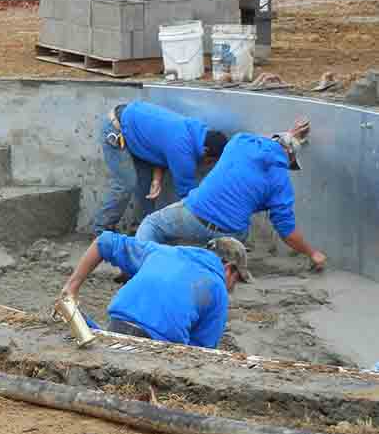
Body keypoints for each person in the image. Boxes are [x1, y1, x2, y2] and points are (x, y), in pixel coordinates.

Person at [135, 119, 327, 271]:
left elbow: (266, 143)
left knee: (151, 224)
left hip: (195, 214)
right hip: (232, 233)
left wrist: (288, 135)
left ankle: (141, 265)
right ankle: (213, 259)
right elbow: (287, 233)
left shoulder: (240, 142)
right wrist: (313, 254)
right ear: (291, 158)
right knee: (219, 249)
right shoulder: (281, 184)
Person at [57, 232, 252, 349]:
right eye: (236, 280)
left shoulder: (162, 252)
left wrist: (71, 288)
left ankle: (76, 319)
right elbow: (202, 352)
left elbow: (105, 241)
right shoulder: (216, 287)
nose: (232, 288)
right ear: (228, 268)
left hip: (117, 327)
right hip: (156, 349)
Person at [92, 100, 228, 236]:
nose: (208, 165)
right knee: (125, 183)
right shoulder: (183, 150)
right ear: (205, 150)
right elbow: (188, 196)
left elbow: (160, 149)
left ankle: (141, 231)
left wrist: (156, 180)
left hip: (137, 132)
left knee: (146, 186)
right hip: (117, 128)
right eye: (210, 161)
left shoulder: (196, 132)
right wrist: (209, 223)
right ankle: (101, 231)